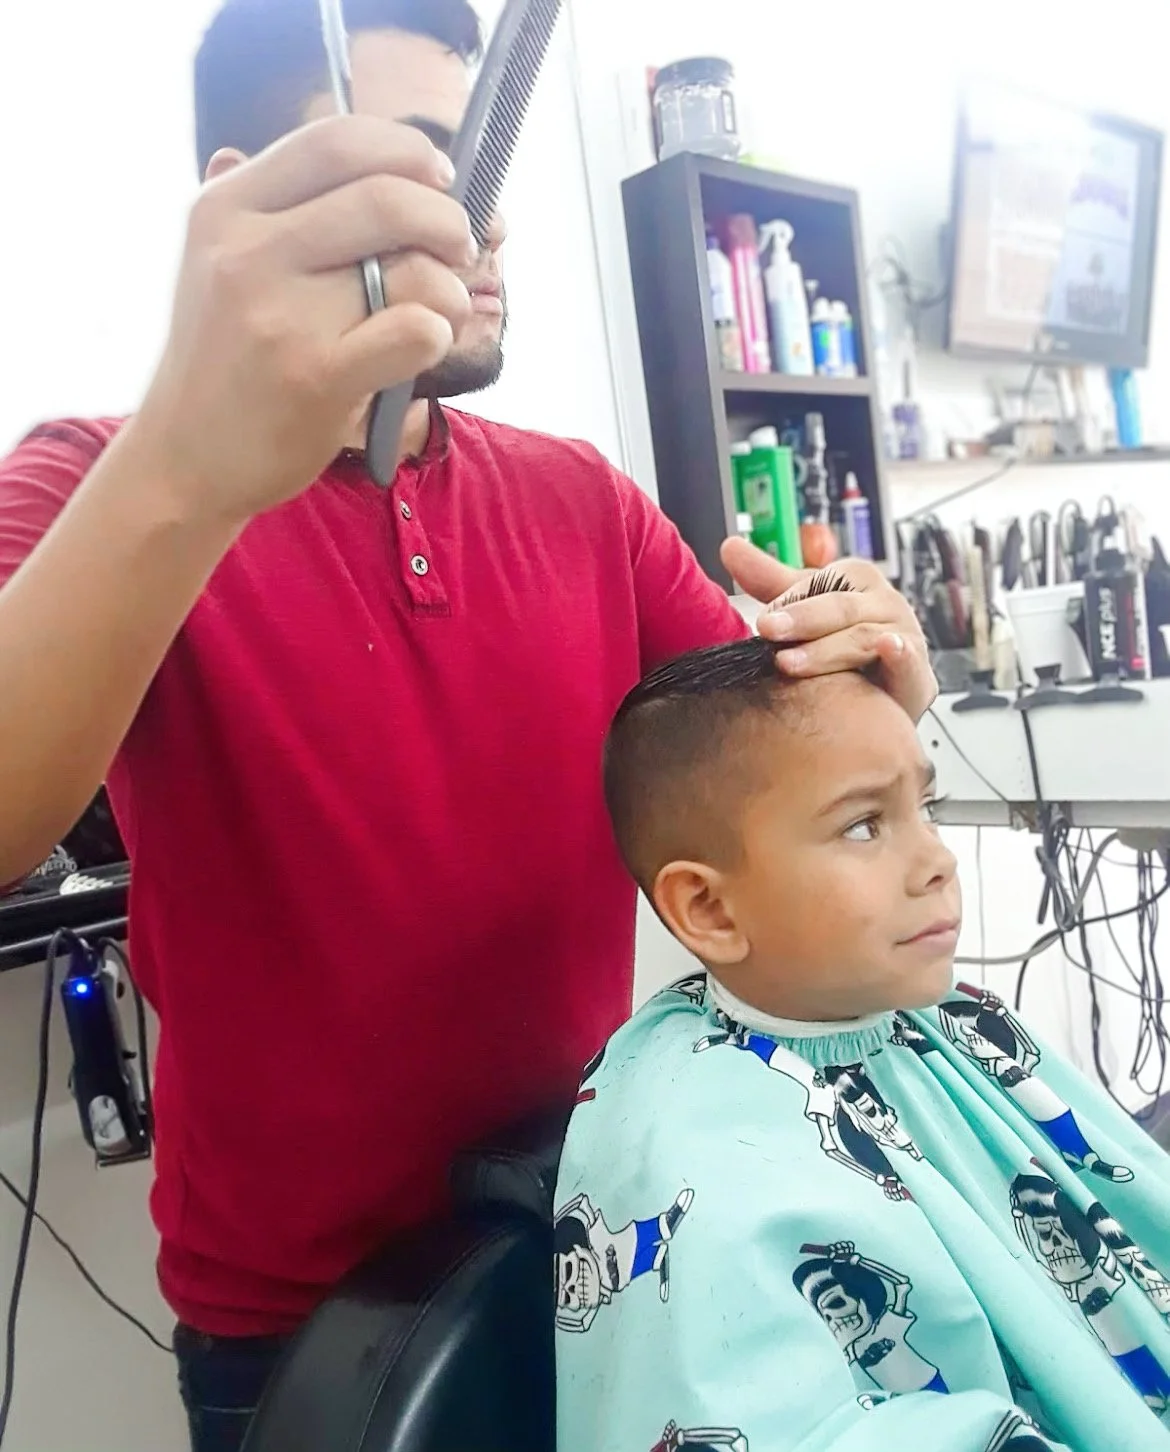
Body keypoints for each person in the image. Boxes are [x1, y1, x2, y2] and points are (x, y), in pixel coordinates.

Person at [0, 2, 932, 1448]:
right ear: (247, 193)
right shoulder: (101, 482)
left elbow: (768, 758)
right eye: (427, 167)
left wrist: (858, 659)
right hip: (298, 1334)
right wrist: (187, 455)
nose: (482, 225)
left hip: (593, 1247)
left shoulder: (581, 501)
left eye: (485, 168)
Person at [556, 620, 1170, 1452]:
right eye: (862, 826)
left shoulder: (949, 1017)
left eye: (926, 806)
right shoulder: (689, 1136)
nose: (936, 862)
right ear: (709, 908)